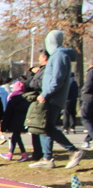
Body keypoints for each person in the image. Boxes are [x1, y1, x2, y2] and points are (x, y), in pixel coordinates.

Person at [29, 30, 85, 169]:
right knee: (44, 126)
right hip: (52, 97)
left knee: (47, 127)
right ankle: (47, 158)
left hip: (53, 98)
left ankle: (73, 151)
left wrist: (45, 94)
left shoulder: (59, 55)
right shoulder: (57, 55)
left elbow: (57, 79)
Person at [0, 80, 30, 161]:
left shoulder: (12, 100)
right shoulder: (26, 100)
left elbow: (7, 114)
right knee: (15, 136)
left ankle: (23, 153)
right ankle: (10, 153)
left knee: (17, 137)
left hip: (13, 122)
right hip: (22, 121)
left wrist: (3, 126)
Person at [82, 60, 93, 150]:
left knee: (85, 118)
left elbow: (88, 85)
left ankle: (89, 139)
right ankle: (87, 140)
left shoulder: (91, 72)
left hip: (89, 97)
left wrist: (83, 92)